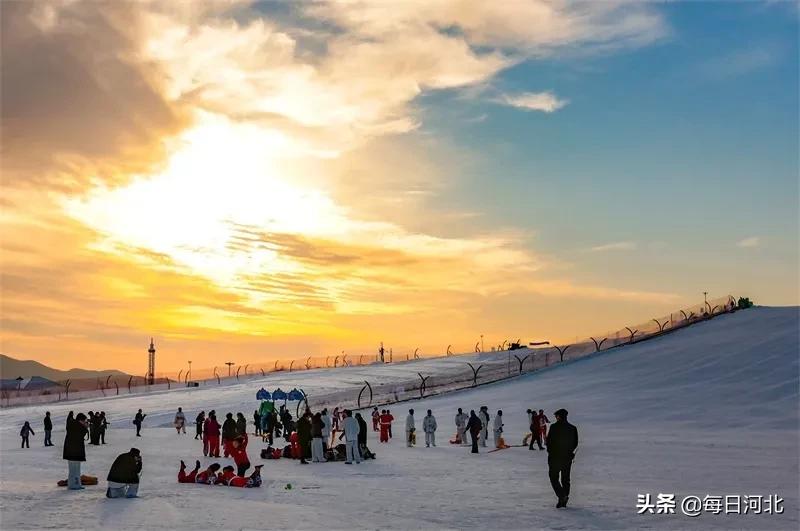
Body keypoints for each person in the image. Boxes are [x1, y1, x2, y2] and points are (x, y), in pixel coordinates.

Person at [546, 409, 578, 508]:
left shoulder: (554, 427)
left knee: (553, 477)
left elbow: (549, 442)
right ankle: (564, 499)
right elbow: (575, 443)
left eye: (556, 416)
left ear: (559, 416)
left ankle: (562, 496)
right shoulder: (573, 428)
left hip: (555, 457)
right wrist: (569, 452)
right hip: (567, 458)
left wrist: (551, 452)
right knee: (565, 479)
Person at [63, 411, 88, 490]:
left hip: (69, 451)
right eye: (84, 421)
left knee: (72, 470)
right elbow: (81, 434)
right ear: (81, 420)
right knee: (76, 470)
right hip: (76, 452)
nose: (85, 422)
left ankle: (71, 484)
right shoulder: (78, 427)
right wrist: (85, 427)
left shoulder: (71, 424)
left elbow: (69, 419)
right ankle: (76, 485)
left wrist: (70, 415)